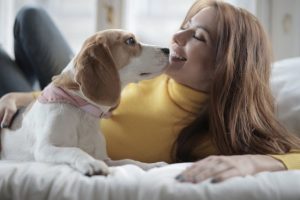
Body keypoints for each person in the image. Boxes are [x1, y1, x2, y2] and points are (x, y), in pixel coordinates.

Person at [1, 0, 300, 184]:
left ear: (225, 66)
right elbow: (79, 92)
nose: (176, 37)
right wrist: (24, 99)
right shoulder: (153, 71)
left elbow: (294, 155)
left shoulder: (207, 138)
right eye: (184, 25)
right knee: (30, 18)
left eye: (197, 36)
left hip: (62, 125)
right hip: (63, 99)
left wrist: (252, 161)